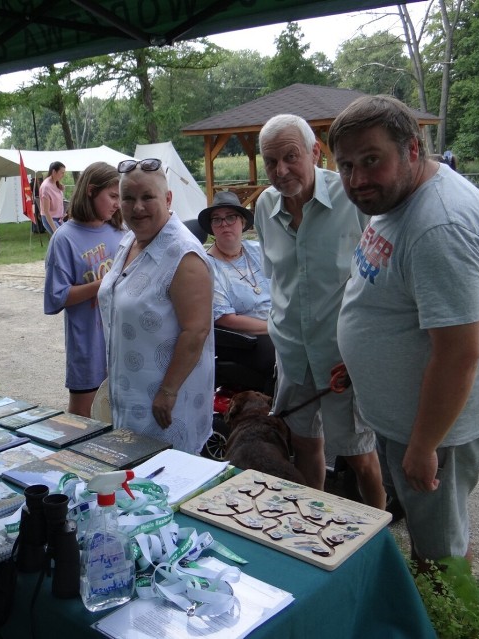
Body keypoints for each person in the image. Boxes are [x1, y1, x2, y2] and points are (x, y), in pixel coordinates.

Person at [330, 95, 479, 566]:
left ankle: (443, 624)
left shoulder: (439, 227)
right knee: (428, 530)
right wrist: (359, 362)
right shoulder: (398, 197)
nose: (357, 180)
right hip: (408, 418)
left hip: (434, 429)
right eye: (346, 165)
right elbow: (387, 296)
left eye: (371, 160)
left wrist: (424, 445)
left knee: (440, 550)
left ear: (412, 150)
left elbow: (458, 356)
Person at [255, 113, 386, 504]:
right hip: (293, 354)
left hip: (340, 359)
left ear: (315, 152)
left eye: (291, 157)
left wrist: (363, 352)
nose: (281, 170)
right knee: (305, 445)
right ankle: (315, 523)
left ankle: (376, 531)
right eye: (271, 161)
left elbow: (381, 286)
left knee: (360, 455)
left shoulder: (352, 201)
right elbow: (278, 281)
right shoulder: (264, 207)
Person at [97, 158, 214, 454]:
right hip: (131, 396)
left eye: (148, 197)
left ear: (168, 198)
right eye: (128, 198)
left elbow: (196, 330)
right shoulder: (130, 242)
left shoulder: (183, 255)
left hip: (165, 407)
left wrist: (168, 391)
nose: (137, 207)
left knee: (164, 480)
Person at [44, 162, 126, 417]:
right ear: (91, 190)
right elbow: (56, 297)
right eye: (113, 196)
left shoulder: (120, 231)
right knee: (83, 420)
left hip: (123, 342)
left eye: (121, 198)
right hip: (89, 345)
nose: (118, 204)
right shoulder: (64, 238)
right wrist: (104, 284)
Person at [197, 191, 276, 390]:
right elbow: (225, 319)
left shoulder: (258, 249)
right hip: (247, 339)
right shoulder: (207, 266)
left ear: (242, 222)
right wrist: (277, 327)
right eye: (217, 220)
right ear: (212, 228)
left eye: (230, 217)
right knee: (288, 355)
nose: (224, 224)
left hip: (281, 322)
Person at [39, 161, 66, 235]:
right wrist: (54, 229)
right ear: (54, 171)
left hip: (59, 219)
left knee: (65, 239)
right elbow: (46, 211)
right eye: (62, 172)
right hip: (50, 219)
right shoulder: (46, 187)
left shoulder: (55, 182)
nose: (63, 175)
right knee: (60, 240)